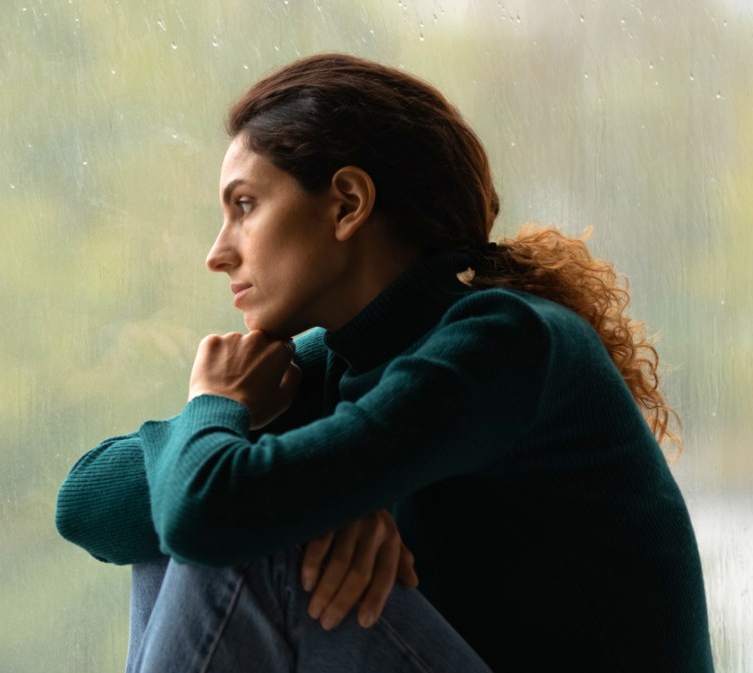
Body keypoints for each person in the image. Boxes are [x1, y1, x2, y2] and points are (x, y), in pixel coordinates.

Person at [55, 53, 713, 672]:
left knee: (235, 531)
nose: (218, 252)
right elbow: (85, 502)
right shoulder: (335, 361)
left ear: (346, 204)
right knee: (193, 521)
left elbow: (207, 514)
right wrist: (314, 489)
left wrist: (215, 409)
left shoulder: (503, 341)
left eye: (245, 205)